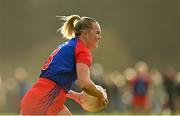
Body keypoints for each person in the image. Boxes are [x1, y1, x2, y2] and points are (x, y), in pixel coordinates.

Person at [20, 14, 108, 115]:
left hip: (35, 99)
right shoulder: (82, 51)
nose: (99, 37)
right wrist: (100, 95)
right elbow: (85, 84)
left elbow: (54, 84)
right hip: (45, 102)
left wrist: (77, 96)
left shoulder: (69, 45)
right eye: (97, 33)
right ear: (85, 34)